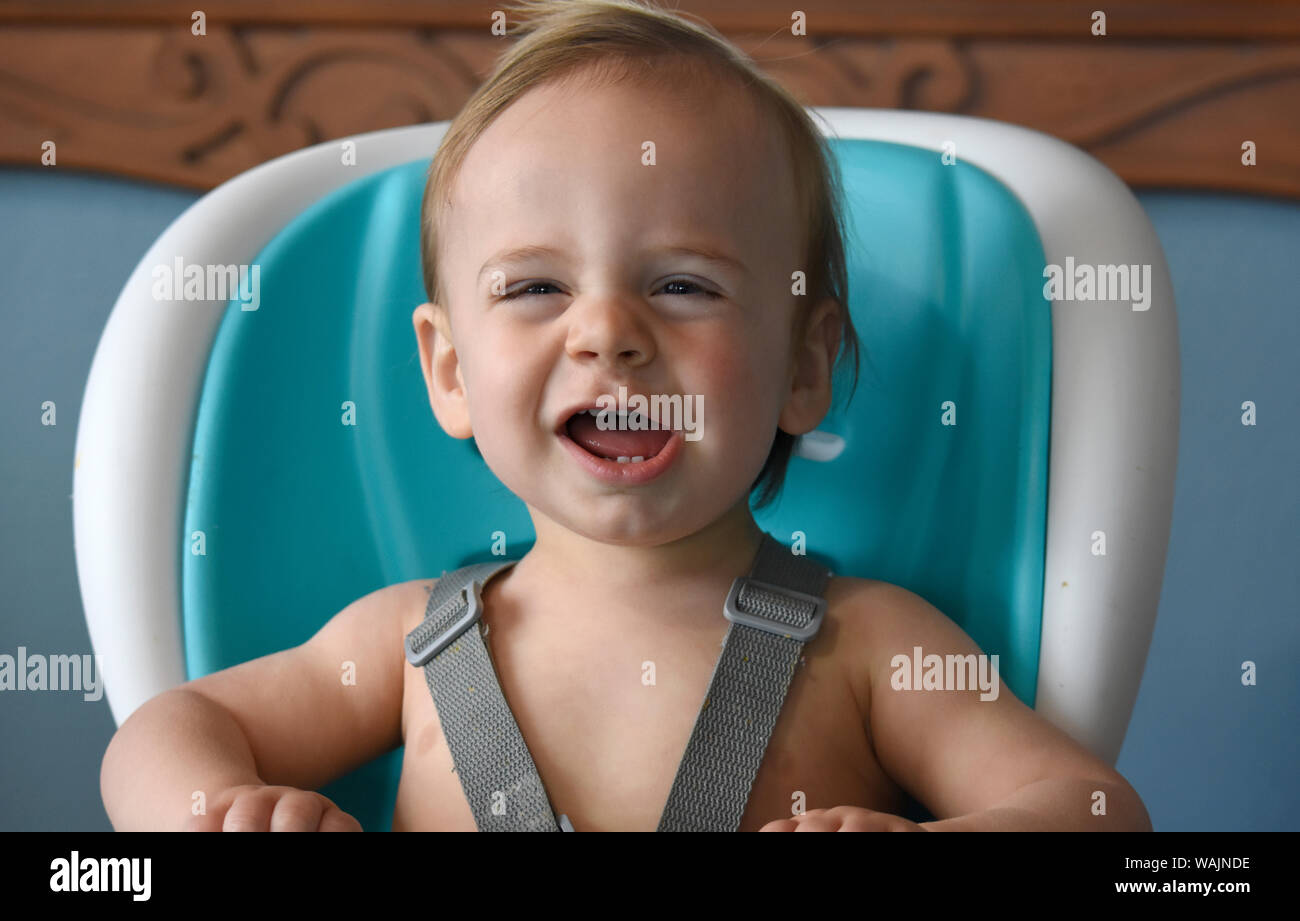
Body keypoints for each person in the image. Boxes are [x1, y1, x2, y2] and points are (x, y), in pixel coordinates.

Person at [101, 0, 1152, 832]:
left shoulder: (870, 648)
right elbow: (168, 733)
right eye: (534, 289)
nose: (607, 334)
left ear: (802, 365)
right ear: (452, 370)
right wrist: (221, 812)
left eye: (685, 285)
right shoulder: (406, 641)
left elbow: (1093, 808)